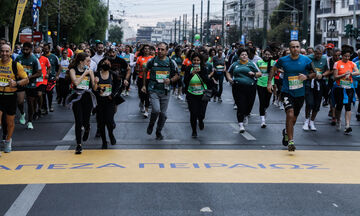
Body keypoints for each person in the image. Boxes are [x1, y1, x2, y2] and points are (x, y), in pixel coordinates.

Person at [267, 40, 316, 151]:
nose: (295, 49)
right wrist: (269, 83)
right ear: (289, 49)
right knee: (290, 113)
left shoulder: (306, 60)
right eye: (293, 47)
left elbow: (314, 73)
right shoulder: (283, 60)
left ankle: (286, 132)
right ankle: (291, 141)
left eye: (297, 47)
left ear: (300, 48)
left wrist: (306, 77)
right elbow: (273, 69)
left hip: (300, 93)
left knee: (294, 118)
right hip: (287, 91)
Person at [142, 42, 179, 140]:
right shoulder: (152, 61)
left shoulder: (171, 62)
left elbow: (177, 75)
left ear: (167, 51)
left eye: (163, 49)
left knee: (163, 114)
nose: (160, 51)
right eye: (159, 49)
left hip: (165, 91)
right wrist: (144, 85)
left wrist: (170, 80)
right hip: (153, 89)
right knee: (156, 110)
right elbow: (145, 71)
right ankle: (151, 124)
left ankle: (158, 131)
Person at [0, 44, 28, 153]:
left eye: (7, 51)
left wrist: (16, 83)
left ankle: (8, 141)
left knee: (10, 122)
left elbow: (26, 80)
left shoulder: (16, 65)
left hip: (11, 96)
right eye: (2, 51)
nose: (4, 54)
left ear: (11, 53)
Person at [67, 52, 97, 154]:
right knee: (78, 121)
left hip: (87, 97)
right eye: (87, 61)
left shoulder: (91, 71)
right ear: (81, 61)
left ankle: (87, 127)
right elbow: (75, 82)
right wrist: (84, 73)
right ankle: (78, 145)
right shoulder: (73, 70)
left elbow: (94, 87)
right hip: (77, 97)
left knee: (85, 120)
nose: (89, 62)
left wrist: (96, 82)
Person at [226, 48, 261, 133]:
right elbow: (228, 72)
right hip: (238, 87)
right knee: (240, 105)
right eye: (242, 55)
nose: (244, 56)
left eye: (245, 54)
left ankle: (246, 114)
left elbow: (259, 73)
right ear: (239, 56)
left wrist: (254, 74)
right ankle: (241, 124)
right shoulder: (235, 64)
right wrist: (229, 78)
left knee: (249, 105)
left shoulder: (251, 64)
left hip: (251, 87)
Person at [183, 52, 213, 138]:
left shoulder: (203, 68)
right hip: (191, 94)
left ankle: (200, 120)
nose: (196, 62)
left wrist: (199, 73)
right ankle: (194, 131)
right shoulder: (189, 68)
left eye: (198, 60)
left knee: (201, 113)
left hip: (202, 94)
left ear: (200, 61)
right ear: (192, 61)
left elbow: (207, 80)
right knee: (193, 113)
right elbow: (185, 81)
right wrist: (191, 74)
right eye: (194, 60)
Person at [333, 47, 360, 135]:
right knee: (339, 105)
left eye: (348, 56)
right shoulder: (337, 64)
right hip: (339, 87)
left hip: (349, 87)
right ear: (342, 56)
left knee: (348, 106)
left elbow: (358, 72)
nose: (347, 58)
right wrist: (344, 75)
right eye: (345, 56)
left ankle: (347, 125)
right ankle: (338, 120)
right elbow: (335, 77)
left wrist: (350, 73)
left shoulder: (352, 63)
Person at [15, 42, 42, 130]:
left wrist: (29, 77)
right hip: (21, 83)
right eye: (24, 49)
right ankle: (22, 113)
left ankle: (30, 121)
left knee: (30, 103)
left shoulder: (34, 59)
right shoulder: (18, 58)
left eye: (27, 50)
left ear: (30, 50)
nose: (25, 51)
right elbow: (14, 69)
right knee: (20, 101)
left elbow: (39, 73)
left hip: (31, 84)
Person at [303, 45, 330, 131]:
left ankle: (312, 121)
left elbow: (328, 70)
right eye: (316, 53)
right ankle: (306, 121)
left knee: (317, 104)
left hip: (319, 83)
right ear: (314, 52)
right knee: (309, 102)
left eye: (320, 54)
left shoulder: (324, 59)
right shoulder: (308, 58)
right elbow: (303, 68)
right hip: (309, 82)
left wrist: (322, 75)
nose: (318, 56)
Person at [94, 57, 119, 149]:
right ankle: (104, 141)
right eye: (105, 63)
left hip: (110, 101)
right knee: (101, 122)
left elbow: (117, 86)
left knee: (109, 121)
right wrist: (97, 92)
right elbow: (92, 87)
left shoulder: (113, 74)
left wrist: (112, 94)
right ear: (101, 64)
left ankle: (111, 134)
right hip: (99, 102)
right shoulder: (96, 74)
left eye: (108, 64)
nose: (106, 65)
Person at [256, 48, 275, 128]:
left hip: (270, 84)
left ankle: (264, 110)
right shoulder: (259, 62)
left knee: (267, 102)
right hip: (260, 83)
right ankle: (263, 121)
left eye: (268, 54)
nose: (267, 56)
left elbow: (276, 71)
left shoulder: (273, 63)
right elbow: (256, 71)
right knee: (262, 101)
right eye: (265, 54)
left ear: (270, 55)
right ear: (263, 54)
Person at [136, 45, 153, 118]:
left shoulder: (152, 58)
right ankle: (141, 102)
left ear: (150, 50)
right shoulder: (139, 58)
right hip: (141, 78)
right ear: (143, 50)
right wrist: (142, 70)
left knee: (148, 95)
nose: (146, 50)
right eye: (145, 49)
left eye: (148, 49)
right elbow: (136, 69)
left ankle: (146, 111)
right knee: (141, 94)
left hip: (149, 79)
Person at [34, 46, 50, 119]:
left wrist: (47, 74)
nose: (37, 54)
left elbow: (49, 67)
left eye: (38, 52)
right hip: (34, 80)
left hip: (42, 80)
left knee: (39, 94)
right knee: (34, 97)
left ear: (41, 53)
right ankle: (35, 110)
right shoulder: (32, 59)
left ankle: (40, 108)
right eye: (35, 52)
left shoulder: (45, 59)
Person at [43, 43, 60, 113]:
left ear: (49, 49)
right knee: (43, 93)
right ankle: (44, 108)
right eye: (44, 49)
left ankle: (50, 105)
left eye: (47, 49)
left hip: (51, 77)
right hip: (43, 78)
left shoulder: (54, 57)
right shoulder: (41, 57)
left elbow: (59, 66)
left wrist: (57, 75)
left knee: (50, 92)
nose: (45, 50)